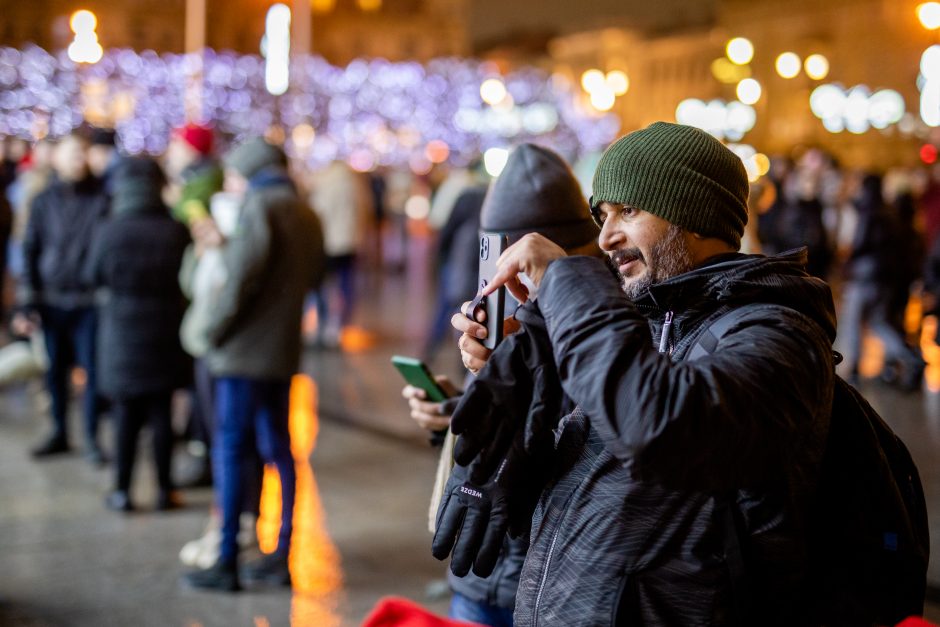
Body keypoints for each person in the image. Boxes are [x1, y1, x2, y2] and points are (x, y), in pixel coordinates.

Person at [450, 122, 836, 625]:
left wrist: (569, 285)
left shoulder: (778, 332)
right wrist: (517, 437)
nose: (607, 237)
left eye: (628, 211)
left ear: (694, 216)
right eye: (602, 214)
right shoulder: (638, 321)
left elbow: (661, 427)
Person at [405, 143, 601, 627]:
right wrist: (463, 408)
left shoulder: (605, 321)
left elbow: (594, 430)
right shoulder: (497, 309)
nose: (511, 283)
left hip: (549, 577)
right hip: (477, 569)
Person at [183, 138, 325, 592]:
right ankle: (281, 553)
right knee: (279, 449)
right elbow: (311, 275)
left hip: (243, 353)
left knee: (230, 449)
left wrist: (212, 333)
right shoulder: (304, 209)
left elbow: (241, 280)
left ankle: (226, 558)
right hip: (281, 351)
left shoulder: (261, 205)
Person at [85, 156, 190, 511]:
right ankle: (165, 489)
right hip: (164, 327)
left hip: (121, 330)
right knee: (162, 412)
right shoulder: (174, 228)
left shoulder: (109, 229)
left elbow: (93, 273)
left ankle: (122, 490)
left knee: (125, 414)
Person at [14, 131, 110, 462]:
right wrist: (28, 301)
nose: (77, 160)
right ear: (56, 158)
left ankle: (91, 437)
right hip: (52, 301)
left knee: (93, 372)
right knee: (54, 372)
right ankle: (59, 431)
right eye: (70, 154)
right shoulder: (43, 201)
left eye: (82, 153)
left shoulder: (102, 197)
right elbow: (30, 250)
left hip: (89, 302)